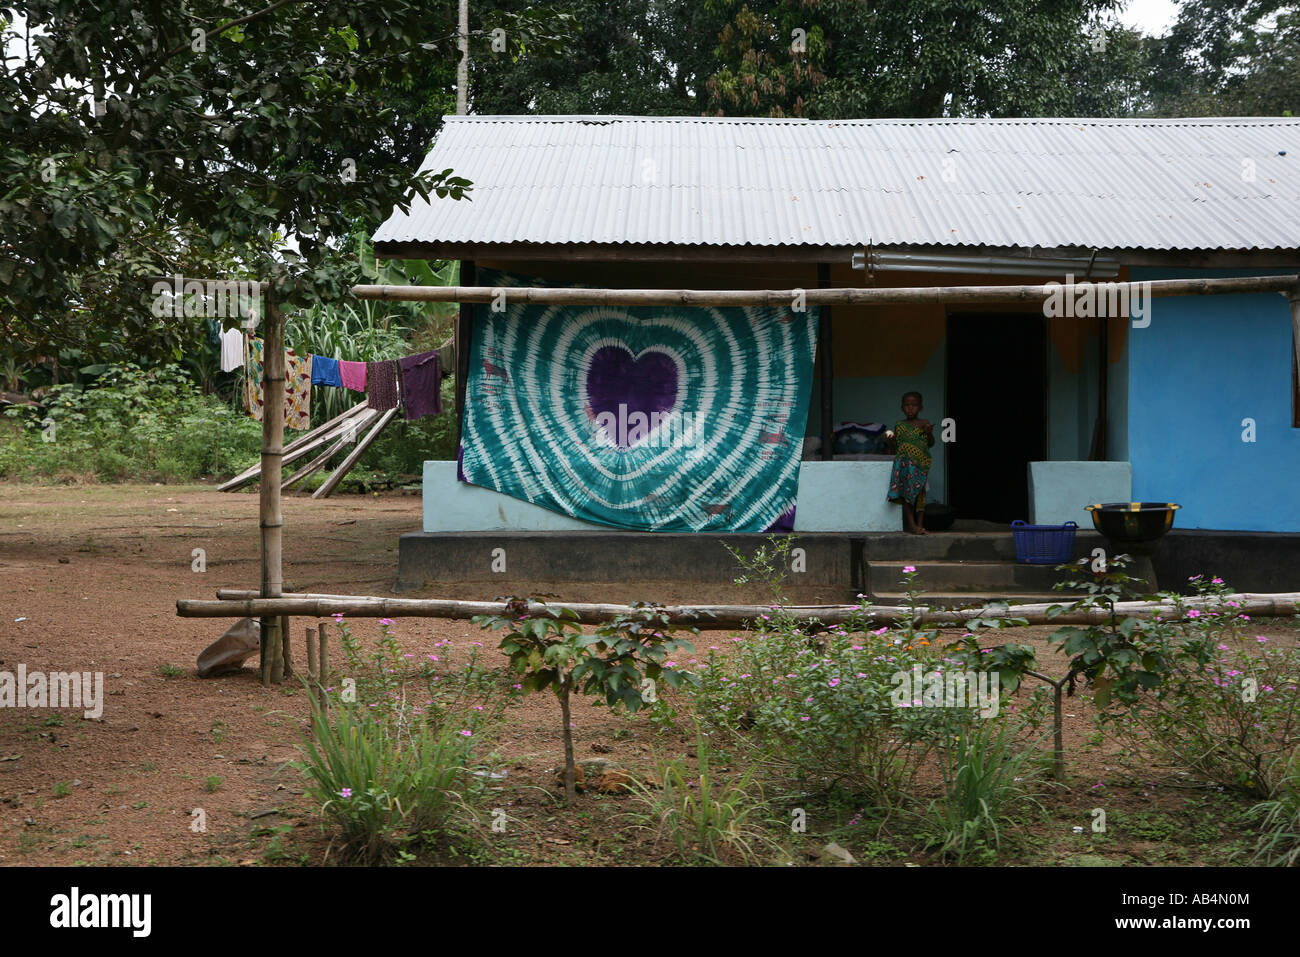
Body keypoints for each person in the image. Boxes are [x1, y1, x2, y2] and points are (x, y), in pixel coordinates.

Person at [885, 391, 935, 535]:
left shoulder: (924, 424)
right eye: (907, 405)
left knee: (921, 493)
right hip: (905, 465)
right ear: (902, 407)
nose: (910, 408)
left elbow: (930, 443)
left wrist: (929, 433)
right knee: (906, 494)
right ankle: (911, 524)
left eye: (914, 405)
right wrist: (890, 441)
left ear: (920, 407)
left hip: (922, 464)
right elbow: (896, 447)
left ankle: (920, 524)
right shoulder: (899, 425)